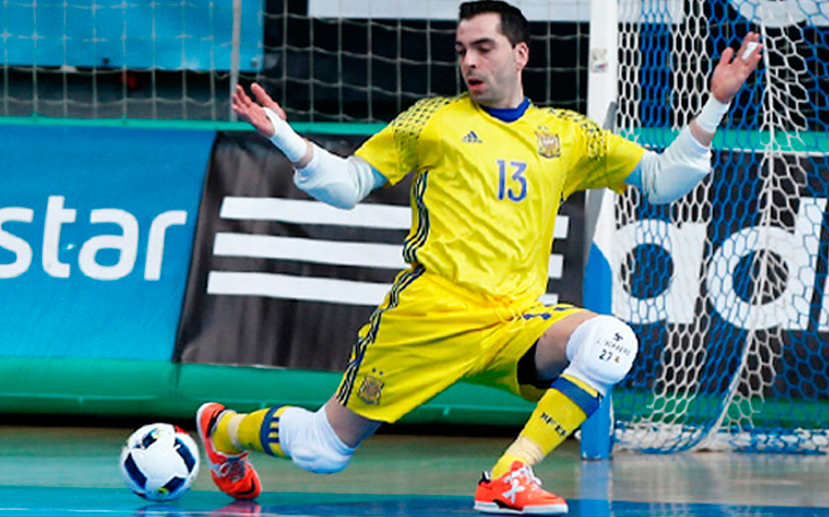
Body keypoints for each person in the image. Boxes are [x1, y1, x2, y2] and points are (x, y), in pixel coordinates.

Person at [195, 1, 762, 514]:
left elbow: (663, 180)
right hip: (427, 318)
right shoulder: (433, 121)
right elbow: (346, 186)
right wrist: (287, 138)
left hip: (512, 321)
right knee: (323, 451)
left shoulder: (566, 134)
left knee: (610, 342)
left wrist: (715, 104)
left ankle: (511, 472)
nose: (469, 61)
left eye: (483, 47)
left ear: (520, 54)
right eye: (462, 50)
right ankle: (225, 429)